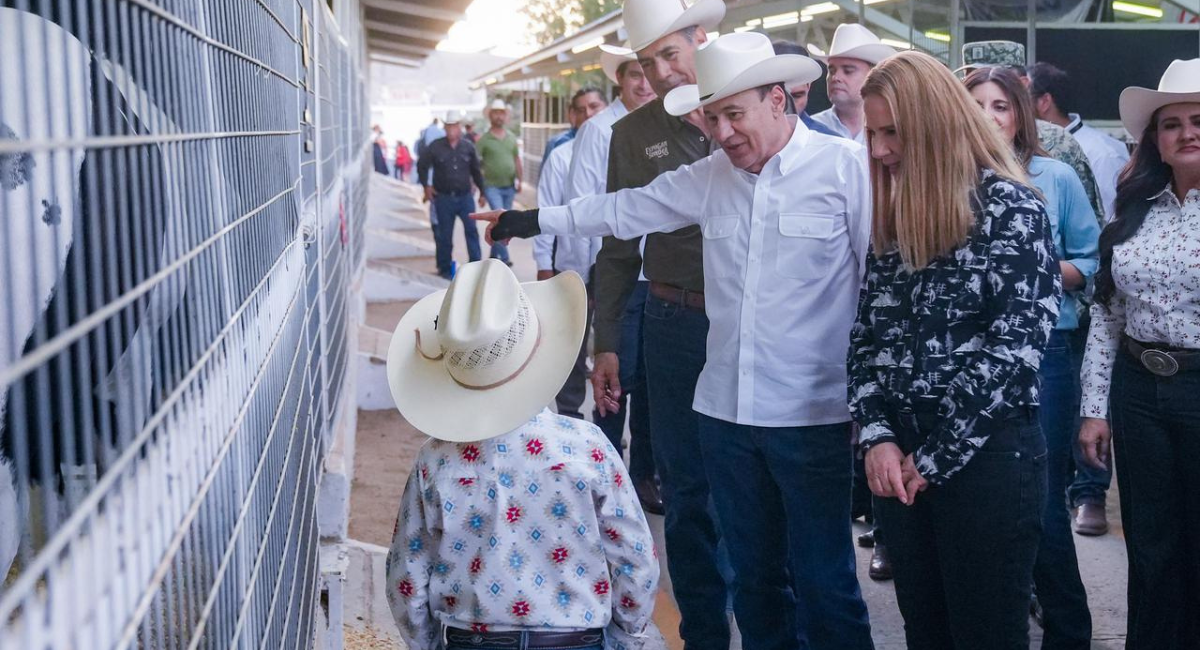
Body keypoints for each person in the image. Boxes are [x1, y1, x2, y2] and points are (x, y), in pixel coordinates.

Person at [477, 32, 876, 650]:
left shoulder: (847, 172)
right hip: (725, 417)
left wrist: (872, 413)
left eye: (734, 115)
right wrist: (529, 221)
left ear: (779, 100)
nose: (721, 132)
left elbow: (878, 292)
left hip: (811, 416)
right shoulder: (710, 177)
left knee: (826, 583)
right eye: (712, 117)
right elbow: (623, 209)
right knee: (755, 581)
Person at [850, 51, 1061, 650]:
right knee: (927, 632)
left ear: (936, 124)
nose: (882, 148)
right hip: (902, 466)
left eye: (894, 131)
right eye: (874, 133)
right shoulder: (895, 217)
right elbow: (865, 338)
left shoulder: (1012, 210)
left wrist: (932, 457)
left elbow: (1015, 351)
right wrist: (879, 437)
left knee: (985, 633)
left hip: (987, 462)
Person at [383, 259, 659, 650]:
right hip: (575, 639)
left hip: (471, 640)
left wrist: (426, 643)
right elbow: (635, 559)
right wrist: (628, 632)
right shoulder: (588, 447)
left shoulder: (436, 461)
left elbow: (406, 576)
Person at [580, 0, 734, 645]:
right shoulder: (630, 135)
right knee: (689, 493)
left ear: (703, 39)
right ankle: (704, 634)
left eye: (671, 53)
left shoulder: (750, 107)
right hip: (674, 322)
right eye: (647, 62)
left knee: (755, 485)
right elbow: (617, 246)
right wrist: (607, 342)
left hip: (753, 321)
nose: (662, 71)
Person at [966, 65, 1099, 650]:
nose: (990, 117)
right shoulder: (950, 177)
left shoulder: (1057, 176)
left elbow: (1090, 261)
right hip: (969, 358)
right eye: (978, 106)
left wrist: (1024, 277)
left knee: (1040, 504)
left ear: (1021, 111)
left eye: (1001, 105)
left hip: (1044, 353)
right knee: (982, 503)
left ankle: (1068, 631)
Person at [1078, 58, 1200, 650]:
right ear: (1155, 139)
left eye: (1198, 119)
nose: (1186, 132)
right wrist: (1094, 407)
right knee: (1149, 541)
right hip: (1138, 389)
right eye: (1171, 123)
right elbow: (1106, 314)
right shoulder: (1134, 210)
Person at [558, 52, 661, 515]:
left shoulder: (670, 121)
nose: (645, 83)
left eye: (649, 74)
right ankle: (604, 472)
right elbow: (581, 205)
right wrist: (583, 281)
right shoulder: (600, 131)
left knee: (652, 384)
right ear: (619, 80)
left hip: (659, 274)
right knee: (612, 376)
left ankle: (643, 475)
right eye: (635, 75)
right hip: (616, 271)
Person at [956, 41, 1106, 226]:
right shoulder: (949, 159)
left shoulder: (1058, 143)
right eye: (973, 77)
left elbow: (1090, 234)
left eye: (1000, 106)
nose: (988, 81)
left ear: (1023, 84)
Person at [533, 85, 608, 420]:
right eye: (582, 109)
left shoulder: (619, 150)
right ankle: (570, 413)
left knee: (611, 341)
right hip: (571, 267)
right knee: (572, 340)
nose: (590, 114)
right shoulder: (561, 157)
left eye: (596, 107)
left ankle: (609, 416)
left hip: (615, 266)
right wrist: (543, 265)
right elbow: (546, 210)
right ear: (572, 116)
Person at [1030, 62, 1130, 222]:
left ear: (1044, 102)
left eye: (1020, 98)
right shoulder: (1023, 148)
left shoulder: (1102, 154)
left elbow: (1112, 222)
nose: (1014, 106)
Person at [417, 111, 486, 280]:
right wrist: (426, 186)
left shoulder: (468, 147)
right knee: (444, 235)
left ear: (459, 127)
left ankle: (475, 268)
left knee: (471, 231)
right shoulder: (435, 146)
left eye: (454, 126)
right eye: (448, 126)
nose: (451, 129)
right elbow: (422, 165)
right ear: (444, 127)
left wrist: (483, 192)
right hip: (444, 198)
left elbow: (476, 171)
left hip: (465, 198)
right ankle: (444, 268)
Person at [807, 23, 897, 145]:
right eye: (831, 70)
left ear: (872, 76)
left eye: (848, 71)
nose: (836, 77)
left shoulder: (894, 127)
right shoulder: (809, 131)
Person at [477, 99, 523, 266]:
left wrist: (520, 179)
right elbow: (477, 165)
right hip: (491, 187)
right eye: (495, 113)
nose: (499, 116)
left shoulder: (511, 138)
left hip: (509, 186)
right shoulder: (484, 140)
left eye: (501, 113)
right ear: (490, 116)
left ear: (505, 116)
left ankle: (493, 255)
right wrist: (480, 190)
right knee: (502, 219)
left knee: (503, 220)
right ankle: (504, 258)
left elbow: (516, 159)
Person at [769, 40, 841, 138]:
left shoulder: (833, 143)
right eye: (777, 99)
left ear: (809, 86)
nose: (788, 107)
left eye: (797, 96)